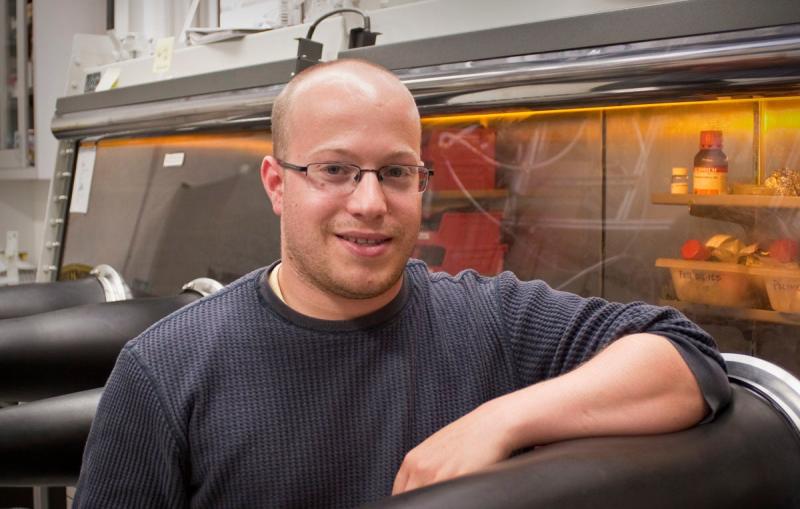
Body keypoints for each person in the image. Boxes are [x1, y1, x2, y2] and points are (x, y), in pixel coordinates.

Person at [74, 59, 730, 508]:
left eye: (395, 172)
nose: (370, 202)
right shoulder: (164, 373)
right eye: (335, 169)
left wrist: (498, 420)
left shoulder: (489, 319)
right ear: (277, 184)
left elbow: (687, 358)